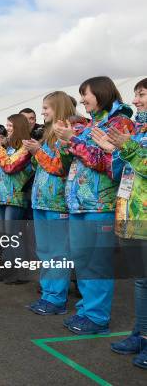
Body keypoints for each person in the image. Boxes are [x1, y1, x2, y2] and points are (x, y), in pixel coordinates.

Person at [53, 76, 135, 335]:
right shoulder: (91, 125)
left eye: (85, 94)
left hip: (100, 205)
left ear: (100, 93)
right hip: (79, 204)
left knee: (97, 262)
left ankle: (97, 316)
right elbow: (75, 161)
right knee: (83, 259)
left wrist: (74, 142)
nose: (82, 100)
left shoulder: (119, 123)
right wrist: (67, 143)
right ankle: (87, 309)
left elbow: (111, 165)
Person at [91, 78, 147, 369]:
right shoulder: (137, 131)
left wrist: (128, 149)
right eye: (136, 95)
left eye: (142, 95)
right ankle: (141, 334)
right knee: (141, 281)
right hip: (133, 214)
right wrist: (114, 151)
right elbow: (126, 171)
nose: (136, 101)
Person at [23, 91, 76, 314]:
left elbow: (59, 167)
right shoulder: (46, 134)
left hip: (57, 203)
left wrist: (38, 152)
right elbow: (42, 168)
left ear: (59, 108)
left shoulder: (66, 134)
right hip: (41, 201)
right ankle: (48, 294)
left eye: (46, 108)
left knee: (57, 253)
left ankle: (56, 299)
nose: (42, 112)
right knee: (44, 251)